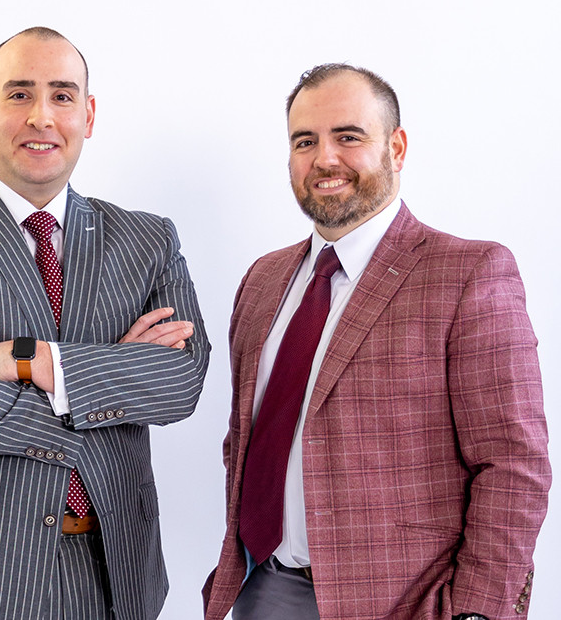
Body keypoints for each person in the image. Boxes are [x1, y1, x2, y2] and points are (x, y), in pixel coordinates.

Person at [0, 26, 210, 620]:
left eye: (62, 95)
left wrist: (33, 360)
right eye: (20, 94)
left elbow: (180, 384)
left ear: (89, 113)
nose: (42, 117)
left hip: (113, 573)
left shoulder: (148, 240)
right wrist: (112, 376)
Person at [202, 63, 550, 620]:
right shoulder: (263, 281)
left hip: (405, 601)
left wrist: (475, 612)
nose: (325, 158)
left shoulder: (468, 272)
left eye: (348, 136)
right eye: (305, 141)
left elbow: (512, 467)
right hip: (260, 589)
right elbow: (243, 443)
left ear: (397, 146)